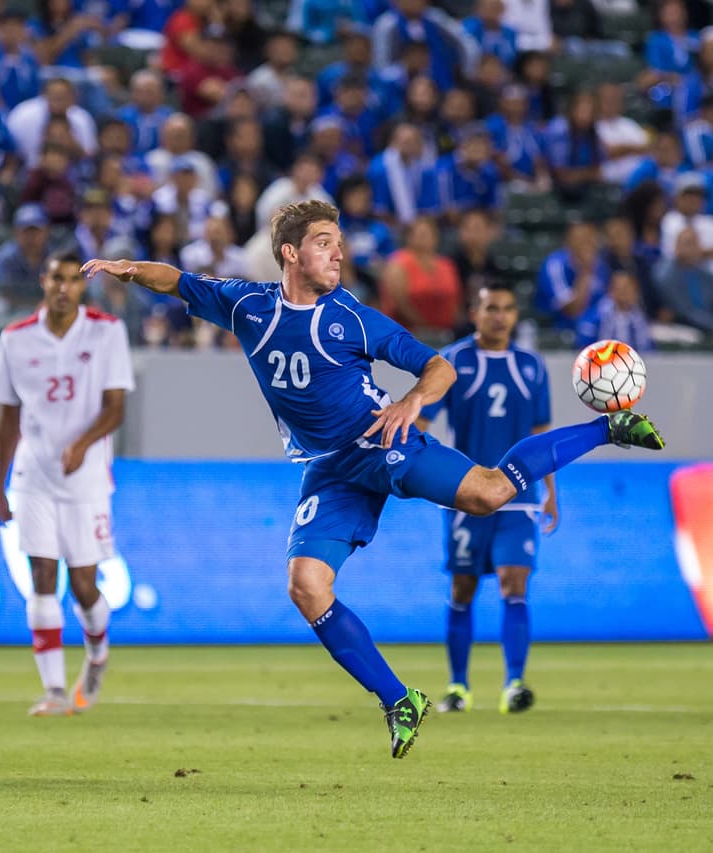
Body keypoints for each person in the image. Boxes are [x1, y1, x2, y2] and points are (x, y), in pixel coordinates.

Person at [80, 200, 665, 759]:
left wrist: (412, 401)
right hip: (328, 469)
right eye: (324, 243)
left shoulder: (351, 317)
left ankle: (607, 428)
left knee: (489, 493)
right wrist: (129, 268)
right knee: (306, 586)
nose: (339, 254)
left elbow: (438, 366)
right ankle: (400, 700)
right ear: (289, 253)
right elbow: (177, 281)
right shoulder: (247, 305)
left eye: (339, 243)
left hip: (382, 441)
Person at [0, 251, 135, 716]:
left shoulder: (106, 331)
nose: (64, 287)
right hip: (33, 474)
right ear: (44, 281)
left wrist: (82, 444)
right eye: (57, 278)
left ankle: (97, 653)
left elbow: (115, 407)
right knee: (42, 577)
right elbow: (8, 417)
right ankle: (54, 691)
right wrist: (0, 486)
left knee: (85, 585)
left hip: (86, 477)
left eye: (73, 279)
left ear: (81, 286)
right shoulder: (15, 339)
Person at [416, 282, 552, 716]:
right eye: (492, 308)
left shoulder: (532, 366)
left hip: (519, 495)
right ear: (475, 313)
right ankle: (458, 686)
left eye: (508, 308)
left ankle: (514, 684)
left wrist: (551, 491)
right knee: (463, 587)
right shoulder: (452, 362)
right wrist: (420, 470)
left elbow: (541, 435)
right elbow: (423, 419)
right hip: (467, 494)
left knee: (515, 584)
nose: (500, 316)